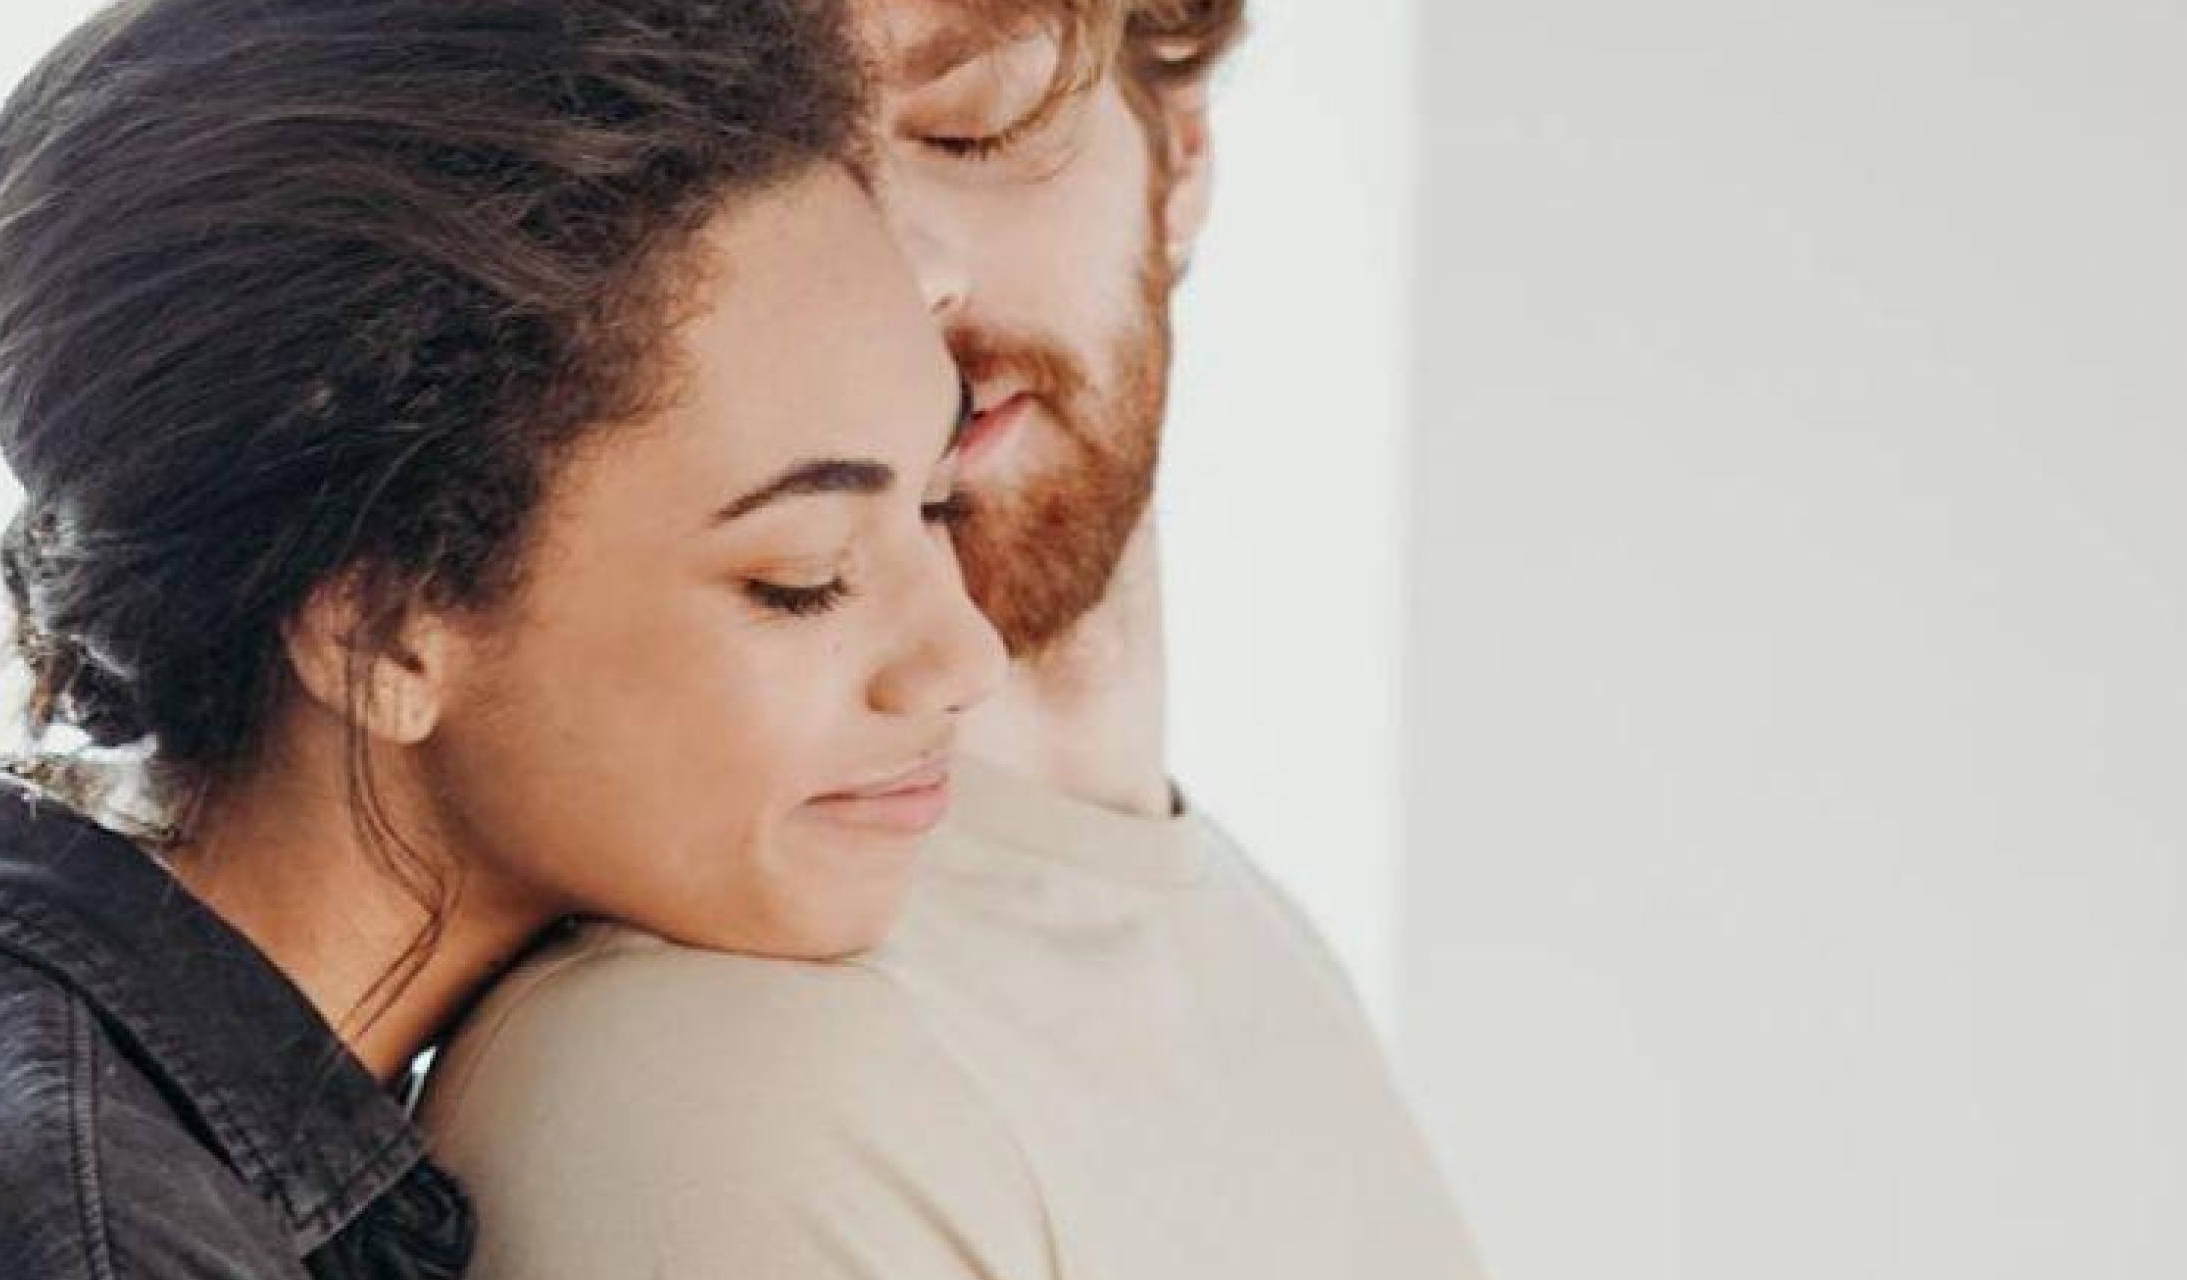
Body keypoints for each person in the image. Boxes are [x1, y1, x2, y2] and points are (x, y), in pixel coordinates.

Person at [0, 0, 1001, 1274]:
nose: (964, 659)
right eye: (805, 578)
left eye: (937, 504)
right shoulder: (66, 1237)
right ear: (381, 627)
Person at [422, 2, 1489, 1275]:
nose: (904, 272)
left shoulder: (1219, 925)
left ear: (1182, 158)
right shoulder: (725, 1077)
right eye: (765, 169)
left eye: (975, 130)